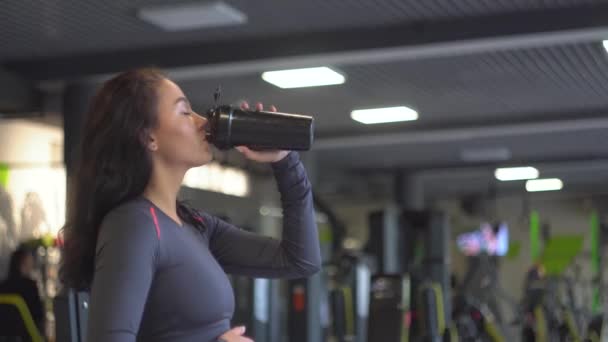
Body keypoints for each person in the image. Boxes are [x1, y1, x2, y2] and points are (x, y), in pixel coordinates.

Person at [59, 68, 321, 342]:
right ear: (148, 137)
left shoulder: (195, 225)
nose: (203, 122)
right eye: (185, 112)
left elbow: (300, 260)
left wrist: (285, 162)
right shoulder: (134, 224)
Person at [0, 245, 45, 334]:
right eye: (30, 260)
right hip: (28, 336)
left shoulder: (2, 286)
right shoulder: (30, 286)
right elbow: (39, 316)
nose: (32, 263)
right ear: (24, 262)